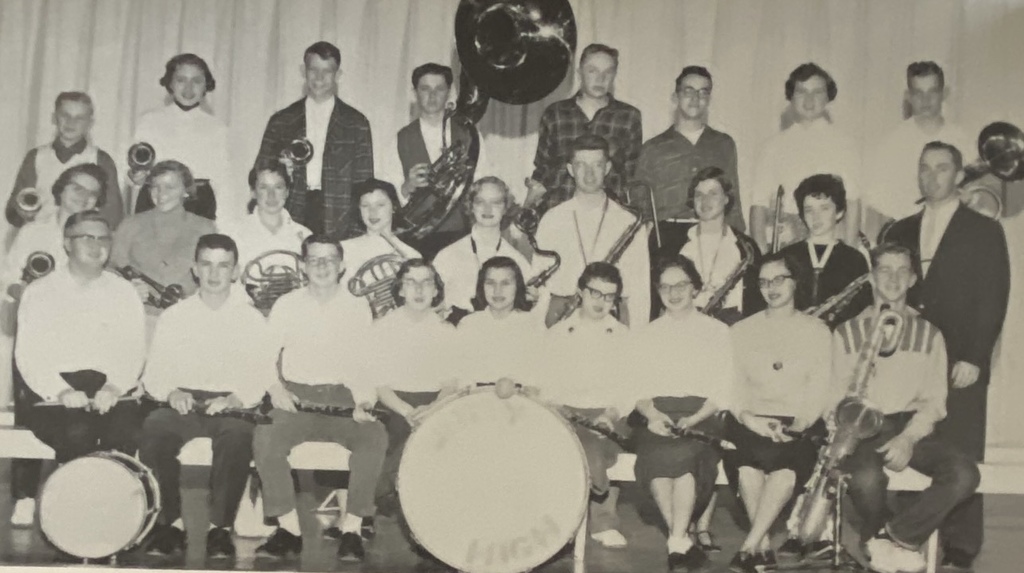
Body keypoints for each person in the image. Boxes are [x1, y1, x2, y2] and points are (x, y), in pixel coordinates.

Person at [881, 141, 1010, 571]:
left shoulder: (984, 229)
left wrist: (974, 356)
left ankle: (960, 549)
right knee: (910, 443)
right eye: (924, 168)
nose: (931, 176)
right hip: (912, 361)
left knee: (960, 453)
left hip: (961, 362)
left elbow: (993, 298)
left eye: (941, 168)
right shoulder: (898, 230)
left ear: (958, 176)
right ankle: (905, 536)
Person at [831, 243, 980, 573]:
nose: (893, 278)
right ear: (871, 277)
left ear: (913, 279)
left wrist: (908, 439)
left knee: (964, 474)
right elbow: (837, 395)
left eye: (902, 271)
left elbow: (934, 402)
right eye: (884, 269)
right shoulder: (846, 333)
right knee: (865, 479)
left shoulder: (930, 335)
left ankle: (892, 539)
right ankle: (884, 543)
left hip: (912, 427)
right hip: (863, 427)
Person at [138, 234, 277, 560]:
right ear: (194, 269)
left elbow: (260, 373)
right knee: (155, 429)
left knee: (238, 435)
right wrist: (171, 392)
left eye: (223, 265)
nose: (215, 274)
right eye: (207, 264)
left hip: (228, 404)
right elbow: (155, 372)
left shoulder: (250, 318)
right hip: (183, 400)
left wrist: (235, 398)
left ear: (235, 271)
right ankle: (168, 524)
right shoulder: (175, 316)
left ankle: (220, 530)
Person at [11, 211, 145, 537]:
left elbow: (134, 349)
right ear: (67, 244)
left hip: (107, 387)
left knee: (126, 431)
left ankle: (115, 518)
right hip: (53, 392)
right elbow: (28, 356)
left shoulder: (124, 291)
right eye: (87, 237)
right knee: (77, 432)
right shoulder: (40, 292)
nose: (96, 245)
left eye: (103, 238)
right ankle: (75, 519)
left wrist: (115, 386)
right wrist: (59, 391)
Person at [254, 234, 379, 562]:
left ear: (342, 266)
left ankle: (352, 528)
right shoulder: (287, 304)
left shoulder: (357, 308)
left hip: (342, 398)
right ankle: (289, 529)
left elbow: (364, 363)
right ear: (303, 266)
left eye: (329, 260)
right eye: (314, 259)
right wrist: (275, 389)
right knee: (265, 437)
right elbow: (262, 355)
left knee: (374, 436)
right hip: (296, 398)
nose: (322, 266)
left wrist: (364, 402)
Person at [1, 164, 108, 526]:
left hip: (82, 339)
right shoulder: (34, 230)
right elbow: (7, 276)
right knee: (29, 415)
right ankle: (25, 495)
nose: (84, 197)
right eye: (77, 188)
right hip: (38, 333)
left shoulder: (97, 235)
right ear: (60, 189)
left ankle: (69, 493)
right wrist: (26, 289)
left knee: (77, 420)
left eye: (93, 193)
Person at [726, 252, 831, 572]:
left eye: (778, 279)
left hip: (799, 423)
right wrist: (750, 419)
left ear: (796, 282)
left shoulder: (817, 331)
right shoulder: (741, 330)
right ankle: (763, 547)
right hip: (750, 419)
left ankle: (749, 548)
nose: (770, 287)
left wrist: (798, 425)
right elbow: (732, 386)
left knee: (784, 472)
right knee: (746, 470)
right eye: (763, 281)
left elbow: (819, 389)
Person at [630, 255, 734, 570]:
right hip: (659, 415)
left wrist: (694, 419)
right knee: (658, 463)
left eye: (681, 285)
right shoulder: (647, 334)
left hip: (702, 416)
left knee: (685, 462)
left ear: (695, 288)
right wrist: (652, 416)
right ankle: (680, 541)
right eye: (665, 286)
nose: (673, 293)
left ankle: (676, 542)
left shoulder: (716, 332)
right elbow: (636, 388)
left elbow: (723, 389)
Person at [541, 262, 632, 548]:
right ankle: (561, 519)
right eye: (595, 293)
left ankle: (603, 521)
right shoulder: (557, 334)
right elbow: (546, 383)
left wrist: (610, 413)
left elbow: (631, 387)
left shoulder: (622, 336)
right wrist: (562, 410)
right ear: (581, 292)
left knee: (601, 446)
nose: (601, 302)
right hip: (567, 413)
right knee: (577, 445)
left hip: (610, 414)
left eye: (609, 296)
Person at [254, 41, 373, 238]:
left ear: (338, 75)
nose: (319, 78)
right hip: (291, 209)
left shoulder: (357, 123)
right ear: (303, 71)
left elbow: (364, 183)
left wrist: (356, 230)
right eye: (313, 70)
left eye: (327, 71)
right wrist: (280, 167)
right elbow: (259, 171)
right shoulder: (281, 120)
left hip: (339, 213)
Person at [369, 259, 459, 516]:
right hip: (394, 404)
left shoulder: (446, 331)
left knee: (441, 438)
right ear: (399, 290)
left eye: (426, 283)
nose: (419, 290)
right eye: (411, 283)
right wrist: (408, 411)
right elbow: (380, 385)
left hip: (436, 403)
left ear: (435, 291)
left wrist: (431, 409)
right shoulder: (383, 328)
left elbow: (451, 384)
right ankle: (393, 495)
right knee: (400, 436)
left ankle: (388, 493)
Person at [379, 63, 495, 259]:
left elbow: (484, 183)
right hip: (416, 239)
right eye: (425, 89)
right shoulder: (401, 138)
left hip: (461, 234)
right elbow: (385, 193)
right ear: (414, 93)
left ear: (449, 93)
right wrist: (407, 186)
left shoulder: (469, 135)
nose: (432, 96)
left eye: (439, 89)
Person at [536, 135, 650, 328]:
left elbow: (640, 291)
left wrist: (636, 341)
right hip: (562, 322)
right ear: (571, 169)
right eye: (581, 165)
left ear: (607, 168)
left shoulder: (628, 222)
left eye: (597, 165)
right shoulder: (551, 220)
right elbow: (540, 290)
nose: (589, 174)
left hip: (612, 322)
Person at [750, 63, 861, 252]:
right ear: (791, 97)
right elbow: (758, 205)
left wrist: (849, 252)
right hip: (787, 243)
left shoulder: (845, 144)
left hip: (831, 240)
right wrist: (762, 253)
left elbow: (853, 202)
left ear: (828, 96)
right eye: (802, 92)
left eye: (817, 92)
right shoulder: (773, 146)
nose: (809, 100)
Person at [528, 43, 642, 215]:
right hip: (558, 211)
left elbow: (632, 174)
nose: (600, 78)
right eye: (592, 71)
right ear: (579, 72)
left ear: (614, 75)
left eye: (608, 72)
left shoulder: (629, 116)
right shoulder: (555, 113)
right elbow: (542, 169)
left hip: (608, 216)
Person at [110, 160, 217, 343]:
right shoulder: (130, 224)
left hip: (188, 322)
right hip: (139, 320)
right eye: (155, 187)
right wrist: (127, 290)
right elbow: (110, 269)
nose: (161, 194)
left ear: (186, 191)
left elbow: (213, 277)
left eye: (170, 187)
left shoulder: (205, 228)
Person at [864, 62, 972, 239]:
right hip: (905, 240)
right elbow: (875, 209)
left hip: (952, 236)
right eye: (918, 93)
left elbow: (975, 194)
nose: (926, 100)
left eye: (932, 92)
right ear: (908, 96)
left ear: (943, 94)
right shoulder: (891, 143)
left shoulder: (962, 139)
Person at [635, 66, 745, 231]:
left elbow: (732, 196)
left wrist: (738, 239)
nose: (695, 98)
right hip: (666, 236)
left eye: (702, 92)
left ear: (708, 99)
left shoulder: (724, 144)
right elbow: (639, 202)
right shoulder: (653, 148)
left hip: (712, 233)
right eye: (689, 91)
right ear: (675, 97)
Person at [126, 54, 233, 220]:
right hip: (156, 201)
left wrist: (223, 224)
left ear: (206, 85)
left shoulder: (218, 129)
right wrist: (135, 177)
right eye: (181, 80)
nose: (188, 88)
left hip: (199, 205)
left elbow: (223, 183)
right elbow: (131, 171)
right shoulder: (149, 121)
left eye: (196, 81)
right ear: (170, 83)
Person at [652, 166, 762, 324]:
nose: (705, 201)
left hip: (733, 327)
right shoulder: (674, 245)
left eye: (713, 194)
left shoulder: (746, 247)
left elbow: (755, 303)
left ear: (726, 199)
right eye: (699, 195)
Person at [5, 92, 122, 229]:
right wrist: (22, 213)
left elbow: (114, 216)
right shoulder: (36, 157)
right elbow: (13, 211)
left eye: (80, 118)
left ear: (90, 123)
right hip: (38, 237)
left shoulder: (101, 159)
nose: (71, 122)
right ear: (54, 118)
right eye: (65, 115)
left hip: (80, 237)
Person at [216, 159, 312, 311]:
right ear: (253, 192)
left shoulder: (305, 235)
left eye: (278, 187)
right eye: (263, 187)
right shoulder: (232, 235)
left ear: (287, 192)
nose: (271, 196)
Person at [432, 177, 532, 321]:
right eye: (480, 202)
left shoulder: (518, 260)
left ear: (505, 208)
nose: (487, 209)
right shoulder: (446, 256)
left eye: (496, 203)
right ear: (471, 206)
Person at [778, 174, 871, 328]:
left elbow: (861, 310)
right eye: (809, 210)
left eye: (824, 208)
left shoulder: (854, 259)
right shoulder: (786, 256)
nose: (816, 217)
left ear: (839, 212)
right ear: (801, 215)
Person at [340, 179, 421, 315]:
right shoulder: (343, 249)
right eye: (365, 205)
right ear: (358, 209)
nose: (372, 212)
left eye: (380, 205)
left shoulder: (411, 255)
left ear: (394, 207)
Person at [456, 256, 543, 382]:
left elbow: (539, 377)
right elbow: (459, 376)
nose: (497, 291)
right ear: (482, 286)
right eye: (490, 283)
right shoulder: (468, 325)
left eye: (505, 283)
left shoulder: (532, 325)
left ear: (517, 287)